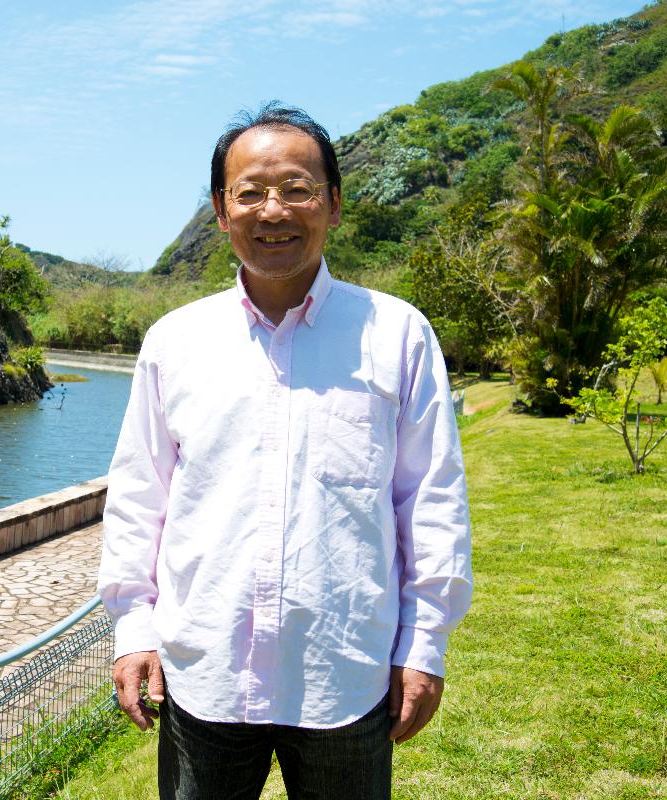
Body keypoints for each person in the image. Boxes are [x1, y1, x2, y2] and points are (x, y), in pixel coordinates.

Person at [97, 102, 472, 800]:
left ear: (334, 203)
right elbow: (139, 496)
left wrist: (425, 644)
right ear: (221, 210)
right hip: (204, 671)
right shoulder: (175, 341)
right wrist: (133, 627)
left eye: (297, 188)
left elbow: (430, 498)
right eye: (250, 192)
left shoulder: (397, 334)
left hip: (346, 671)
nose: (273, 210)